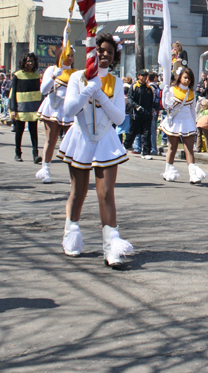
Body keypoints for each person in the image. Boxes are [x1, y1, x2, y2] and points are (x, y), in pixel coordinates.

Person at [57, 33, 133, 267]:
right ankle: (71, 230)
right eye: (101, 50)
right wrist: (88, 90)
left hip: (106, 141)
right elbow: (69, 111)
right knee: (78, 192)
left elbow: (120, 118)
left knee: (106, 193)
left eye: (110, 52)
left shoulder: (116, 82)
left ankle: (111, 247)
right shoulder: (77, 78)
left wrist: (100, 94)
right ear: (92, 52)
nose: (105, 55)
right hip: (81, 138)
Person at [161, 66, 206, 184]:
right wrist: (164, 95)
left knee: (189, 149)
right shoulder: (172, 90)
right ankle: (168, 171)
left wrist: (194, 122)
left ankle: (192, 174)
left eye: (189, 78)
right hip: (175, 121)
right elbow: (166, 106)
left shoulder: (191, 93)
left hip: (188, 122)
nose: (187, 80)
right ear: (179, 77)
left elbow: (193, 110)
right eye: (185, 77)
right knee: (172, 147)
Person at [35, 50, 75, 183]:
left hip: (69, 110)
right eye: (67, 55)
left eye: (71, 56)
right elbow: (43, 90)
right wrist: (53, 76)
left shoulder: (75, 73)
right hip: (53, 107)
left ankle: (74, 175)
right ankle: (45, 170)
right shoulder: (52, 70)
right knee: (51, 140)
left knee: (71, 142)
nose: (69, 58)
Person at [10, 53, 42, 163]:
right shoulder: (17, 75)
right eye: (28, 61)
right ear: (23, 62)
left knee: (34, 132)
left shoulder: (36, 75)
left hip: (33, 107)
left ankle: (35, 154)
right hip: (21, 107)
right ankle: (17, 153)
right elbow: (13, 93)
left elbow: (39, 92)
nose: (30, 63)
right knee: (19, 131)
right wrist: (13, 109)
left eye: (32, 61)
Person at [123, 69, 154, 159]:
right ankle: (125, 146)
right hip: (135, 114)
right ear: (138, 76)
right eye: (143, 75)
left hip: (146, 115)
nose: (144, 77)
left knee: (147, 133)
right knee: (133, 132)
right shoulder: (134, 87)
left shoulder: (149, 89)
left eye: (146, 75)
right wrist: (136, 106)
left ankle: (146, 152)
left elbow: (151, 102)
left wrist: (149, 112)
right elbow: (130, 99)